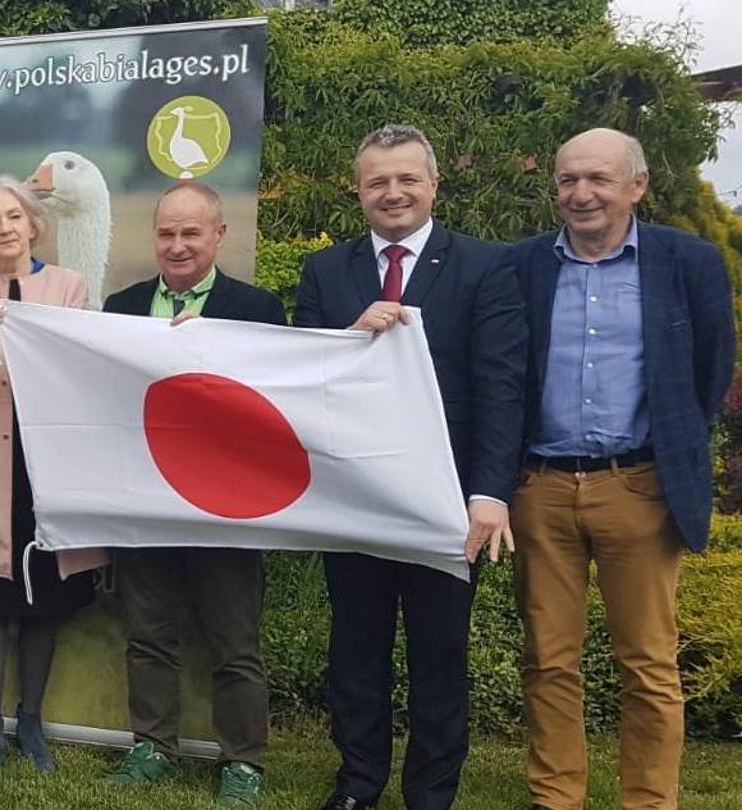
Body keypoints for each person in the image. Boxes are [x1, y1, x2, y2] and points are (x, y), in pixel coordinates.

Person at [292, 125, 528, 810]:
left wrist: (490, 493)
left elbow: (502, 386)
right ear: (358, 191)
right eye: (377, 182)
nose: (392, 192)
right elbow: (300, 378)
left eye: (406, 179)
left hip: (445, 499)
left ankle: (431, 792)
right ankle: (357, 783)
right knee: (356, 652)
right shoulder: (325, 271)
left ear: (433, 184)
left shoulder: (486, 267)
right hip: (355, 498)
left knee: (440, 654)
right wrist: (348, 338)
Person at [506, 128, 735, 810]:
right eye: (568, 180)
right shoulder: (522, 265)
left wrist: (670, 458)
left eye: (598, 179)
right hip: (541, 488)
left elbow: (709, 370)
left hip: (638, 486)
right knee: (548, 659)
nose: (581, 194)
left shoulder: (687, 261)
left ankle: (651, 800)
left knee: (649, 663)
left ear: (636, 186)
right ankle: (556, 797)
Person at [94, 182, 282, 803]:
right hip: (145, 496)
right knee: (148, 631)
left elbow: (276, 406)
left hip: (226, 503)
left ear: (219, 235)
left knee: (234, 639)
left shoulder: (255, 309)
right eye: (167, 233)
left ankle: (243, 761)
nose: (177, 246)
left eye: (191, 233)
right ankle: (152, 746)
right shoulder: (121, 307)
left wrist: (217, 350)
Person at [0, 174, 104, 775]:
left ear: (34, 224)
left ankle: (31, 721)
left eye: (13, 217)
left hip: (47, 468)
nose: (4, 228)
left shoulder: (68, 286)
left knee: (43, 602)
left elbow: (83, 366)